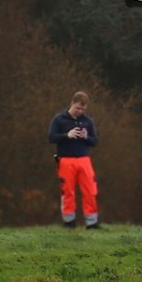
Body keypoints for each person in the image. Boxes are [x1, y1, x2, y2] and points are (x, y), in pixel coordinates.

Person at [48, 91, 101, 229]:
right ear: (72, 103)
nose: (80, 111)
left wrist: (85, 136)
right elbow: (51, 137)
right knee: (68, 191)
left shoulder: (88, 121)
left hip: (84, 160)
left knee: (90, 190)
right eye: (78, 108)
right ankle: (69, 222)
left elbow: (94, 142)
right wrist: (67, 135)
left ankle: (92, 222)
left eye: (83, 109)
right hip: (65, 160)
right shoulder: (59, 119)